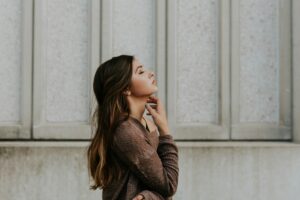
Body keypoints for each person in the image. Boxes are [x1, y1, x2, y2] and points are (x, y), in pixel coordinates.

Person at [87, 55, 179, 200]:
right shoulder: (126, 131)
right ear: (125, 88)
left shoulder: (146, 123)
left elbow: (162, 184)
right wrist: (165, 132)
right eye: (140, 72)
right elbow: (169, 185)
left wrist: (149, 196)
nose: (151, 73)